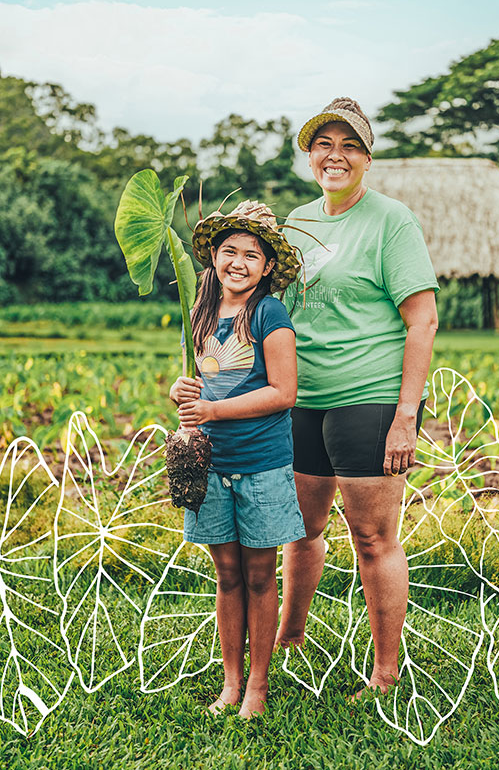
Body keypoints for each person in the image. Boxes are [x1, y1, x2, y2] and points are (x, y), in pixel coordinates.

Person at [275, 97, 439, 696]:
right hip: (302, 399)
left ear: (367, 157)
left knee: (372, 536)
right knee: (301, 527)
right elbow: (278, 315)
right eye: (323, 144)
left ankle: (387, 672)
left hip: (369, 397)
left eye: (348, 145)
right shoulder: (296, 221)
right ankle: (289, 641)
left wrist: (405, 416)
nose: (334, 155)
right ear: (310, 155)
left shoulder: (391, 220)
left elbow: (422, 321)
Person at [169, 200, 304, 718]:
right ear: (215, 258)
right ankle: (231, 681)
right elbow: (199, 390)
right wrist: (184, 394)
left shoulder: (269, 312)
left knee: (258, 574)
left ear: (267, 267)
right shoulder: (199, 312)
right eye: (230, 251)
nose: (239, 262)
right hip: (209, 462)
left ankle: (258, 687)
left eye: (252, 255)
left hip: (262, 462)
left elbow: (284, 391)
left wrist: (214, 408)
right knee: (226, 574)